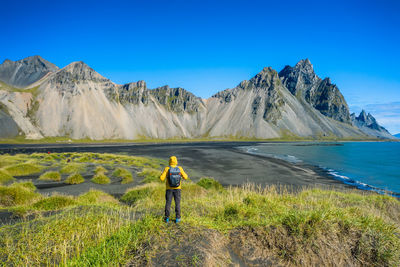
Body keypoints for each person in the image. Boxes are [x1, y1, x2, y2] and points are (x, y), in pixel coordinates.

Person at [159, 156, 188, 223]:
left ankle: (167, 218)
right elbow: (186, 177)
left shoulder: (167, 168)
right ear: (176, 161)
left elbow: (161, 178)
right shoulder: (180, 168)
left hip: (169, 189)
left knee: (168, 203)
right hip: (178, 189)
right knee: (177, 203)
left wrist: (162, 175)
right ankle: (178, 218)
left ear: (169, 161)